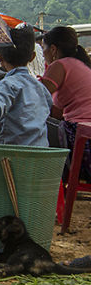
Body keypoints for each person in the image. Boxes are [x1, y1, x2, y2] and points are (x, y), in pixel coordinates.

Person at [40, 25, 91, 180]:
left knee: (36, 125)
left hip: (79, 135)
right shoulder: (80, 65)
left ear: (53, 49)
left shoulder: (59, 65)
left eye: (44, 49)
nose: (43, 54)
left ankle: (49, 180)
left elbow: (39, 99)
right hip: (85, 132)